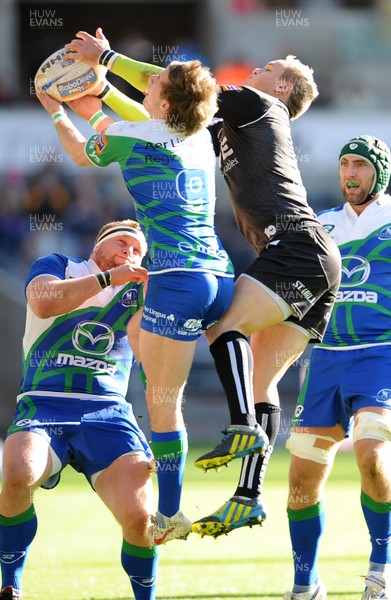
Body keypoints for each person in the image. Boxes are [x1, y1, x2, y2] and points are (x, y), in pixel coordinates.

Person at [63, 29, 341, 539]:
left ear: (280, 89)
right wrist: (102, 94)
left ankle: (242, 428)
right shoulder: (225, 125)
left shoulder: (257, 105)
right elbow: (159, 121)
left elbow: (173, 82)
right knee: (262, 380)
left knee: (224, 329)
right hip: (308, 259)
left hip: (295, 249)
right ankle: (248, 495)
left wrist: (104, 61)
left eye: (270, 67)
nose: (258, 69)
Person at [35, 51, 238, 546]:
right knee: (143, 356)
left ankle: (170, 514)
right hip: (221, 275)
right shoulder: (199, 138)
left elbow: (86, 151)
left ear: (165, 101)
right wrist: (95, 85)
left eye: (154, 83)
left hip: (178, 281)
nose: (145, 86)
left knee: (163, 404)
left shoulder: (138, 134)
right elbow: (125, 121)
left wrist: (57, 108)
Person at [0, 220, 160, 600]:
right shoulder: (60, 265)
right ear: (99, 245)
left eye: (138, 251)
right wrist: (108, 278)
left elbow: (155, 356)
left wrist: (157, 306)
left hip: (108, 412)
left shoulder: (139, 291)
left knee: (140, 520)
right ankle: (11, 583)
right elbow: (42, 299)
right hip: (44, 403)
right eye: (123, 243)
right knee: (16, 475)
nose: (131, 253)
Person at [283, 135, 391, 600]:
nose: (350, 173)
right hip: (324, 359)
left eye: (361, 166)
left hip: (381, 354)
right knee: (301, 479)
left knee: (371, 456)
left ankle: (381, 568)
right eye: (345, 163)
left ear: (379, 173)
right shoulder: (321, 224)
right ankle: (305, 582)